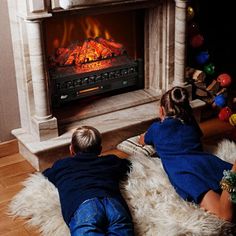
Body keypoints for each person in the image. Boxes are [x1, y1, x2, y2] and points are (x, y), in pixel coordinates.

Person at [139, 86, 236, 222]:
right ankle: (231, 176)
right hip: (204, 161)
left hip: (183, 172)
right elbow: (198, 137)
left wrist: (146, 136)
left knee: (223, 213)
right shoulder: (191, 123)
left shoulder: (156, 129)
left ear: (161, 110)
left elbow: (142, 140)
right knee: (223, 181)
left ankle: (233, 173)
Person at [43, 125, 134, 236]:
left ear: (71, 149)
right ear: (100, 150)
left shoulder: (62, 165)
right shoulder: (111, 161)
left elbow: (46, 174)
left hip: (84, 206)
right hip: (114, 204)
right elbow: (127, 165)